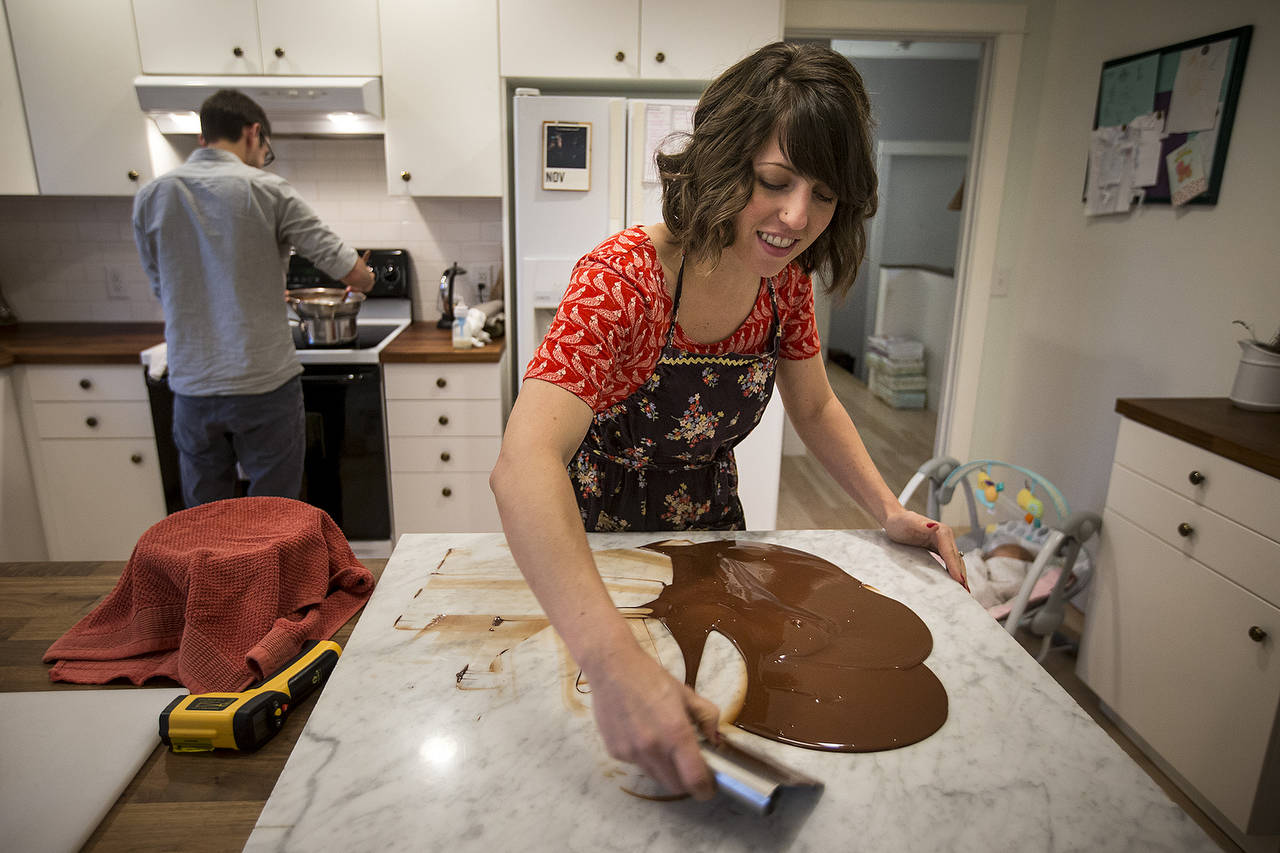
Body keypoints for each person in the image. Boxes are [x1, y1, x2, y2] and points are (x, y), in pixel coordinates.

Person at [489, 42, 968, 801]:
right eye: (775, 181)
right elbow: (524, 463)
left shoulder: (786, 288)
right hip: (597, 558)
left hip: (716, 541)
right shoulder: (624, 282)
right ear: (719, 161)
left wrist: (887, 509)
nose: (797, 218)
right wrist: (613, 665)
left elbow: (814, 404)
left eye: (824, 195)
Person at [133, 89, 374, 508]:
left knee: (206, 514)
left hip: (192, 383)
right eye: (266, 149)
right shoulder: (268, 191)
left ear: (205, 137)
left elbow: (164, 287)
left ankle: (211, 576)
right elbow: (346, 268)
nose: (264, 157)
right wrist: (367, 278)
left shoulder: (153, 195)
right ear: (253, 133)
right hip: (262, 382)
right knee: (273, 511)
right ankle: (270, 576)